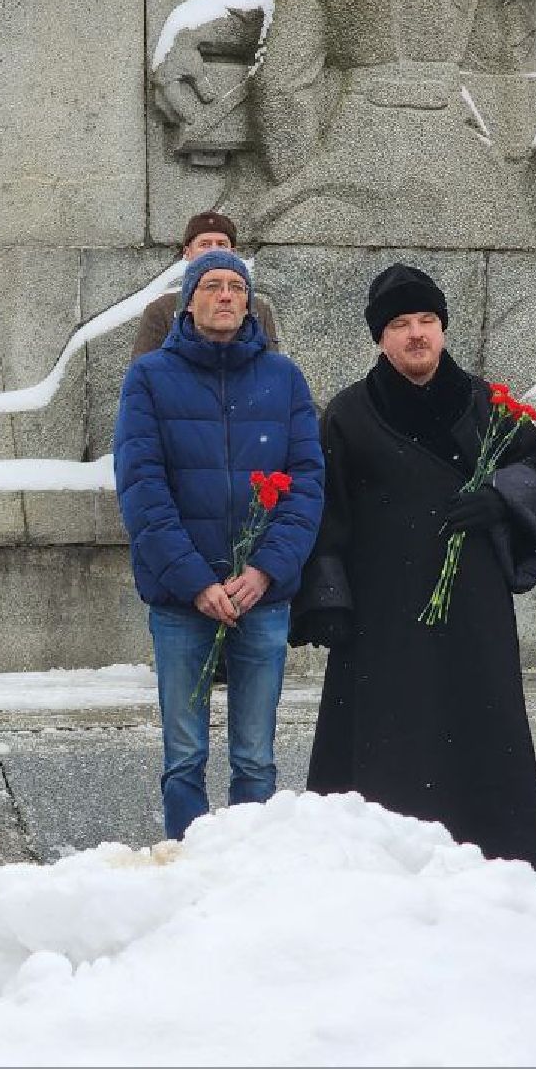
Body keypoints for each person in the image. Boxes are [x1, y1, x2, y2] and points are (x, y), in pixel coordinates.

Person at [295, 264, 536, 886]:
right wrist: (329, 597)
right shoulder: (349, 414)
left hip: (473, 611)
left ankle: (502, 877)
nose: (416, 334)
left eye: (426, 321)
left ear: (442, 329)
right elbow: (325, 510)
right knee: (389, 745)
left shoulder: (485, 405)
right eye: (400, 324)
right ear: (379, 338)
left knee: (480, 735)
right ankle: (383, 879)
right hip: (384, 614)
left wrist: (501, 496)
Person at [114, 251, 324, 841]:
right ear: (189, 300)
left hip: (262, 596)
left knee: (256, 757)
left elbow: (306, 484)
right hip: (184, 601)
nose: (227, 295)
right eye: (213, 286)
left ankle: (246, 874)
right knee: (184, 755)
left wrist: (264, 570)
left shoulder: (283, 378)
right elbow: (142, 489)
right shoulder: (151, 378)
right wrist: (196, 582)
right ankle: (188, 866)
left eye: (237, 286)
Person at [129, 212, 282, 361]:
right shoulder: (161, 309)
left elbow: (272, 369)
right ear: (187, 253)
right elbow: (145, 371)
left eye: (221, 245)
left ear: (233, 253)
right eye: (205, 244)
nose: (213, 250)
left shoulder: (258, 308)